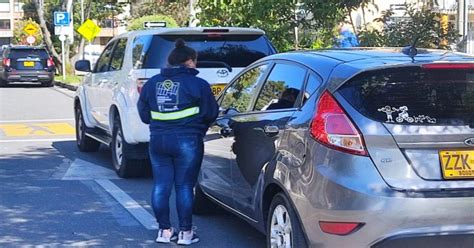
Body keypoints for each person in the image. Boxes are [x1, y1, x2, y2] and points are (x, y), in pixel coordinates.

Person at [137, 39, 219, 245]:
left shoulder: (152, 83)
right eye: (195, 62)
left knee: (161, 186)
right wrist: (199, 128)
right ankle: (185, 233)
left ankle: (164, 231)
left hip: (158, 141)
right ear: (189, 61)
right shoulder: (198, 84)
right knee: (184, 186)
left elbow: (144, 115)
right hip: (187, 141)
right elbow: (211, 112)